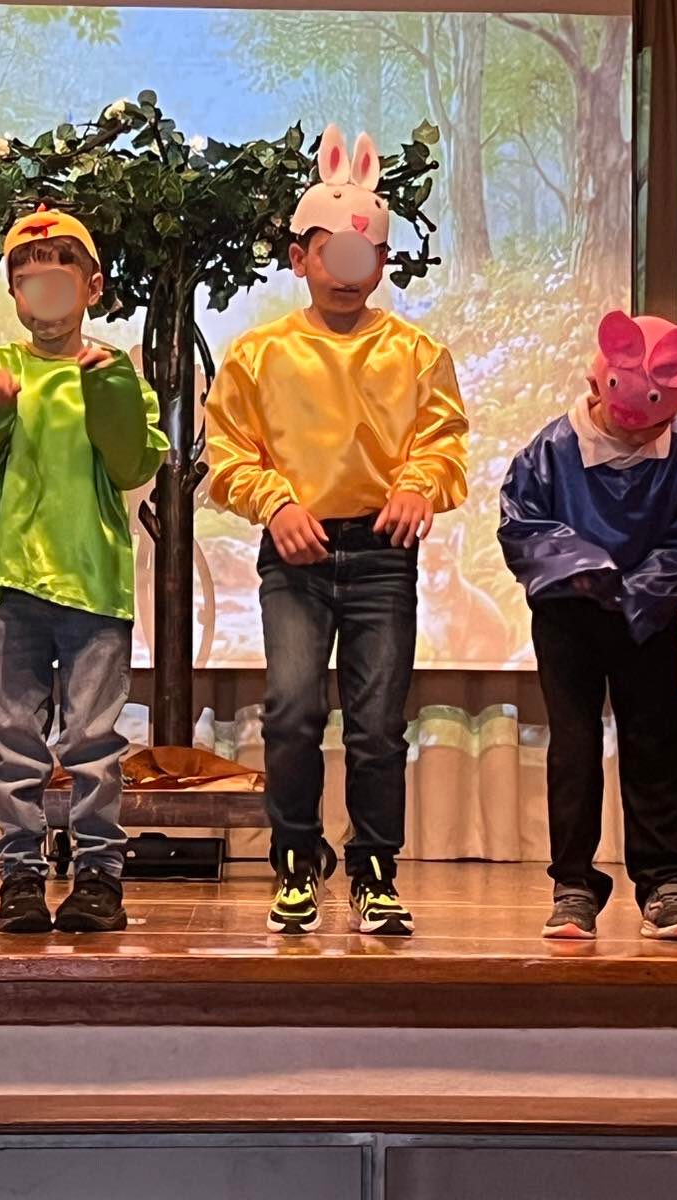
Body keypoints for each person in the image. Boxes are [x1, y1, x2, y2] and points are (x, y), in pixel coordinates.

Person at [206, 124, 469, 937]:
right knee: (290, 710)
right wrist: (275, 503)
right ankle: (295, 859)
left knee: (377, 723)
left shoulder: (416, 351)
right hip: (297, 554)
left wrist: (418, 486)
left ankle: (375, 870)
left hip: (382, 555)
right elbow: (228, 452)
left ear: (382, 263)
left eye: (365, 258)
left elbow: (442, 441)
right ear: (300, 259)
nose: (348, 274)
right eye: (332, 255)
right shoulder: (259, 354)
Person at [0, 205, 167, 935]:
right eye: (28, 281)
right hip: (14, 580)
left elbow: (132, 464)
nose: (43, 293)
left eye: (59, 278)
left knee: (92, 741)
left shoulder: (112, 371)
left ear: (92, 287)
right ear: (14, 294)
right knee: (13, 738)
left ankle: (100, 876)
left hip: (93, 584)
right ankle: (20, 875)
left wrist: (109, 393)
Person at [500, 310, 677, 941]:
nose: (639, 428)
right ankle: (573, 884)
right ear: (596, 384)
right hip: (570, 617)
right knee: (574, 747)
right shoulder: (552, 450)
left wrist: (640, 591)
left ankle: (665, 882)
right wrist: (587, 572)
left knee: (658, 741)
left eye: (655, 419)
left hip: (647, 617)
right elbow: (522, 524)